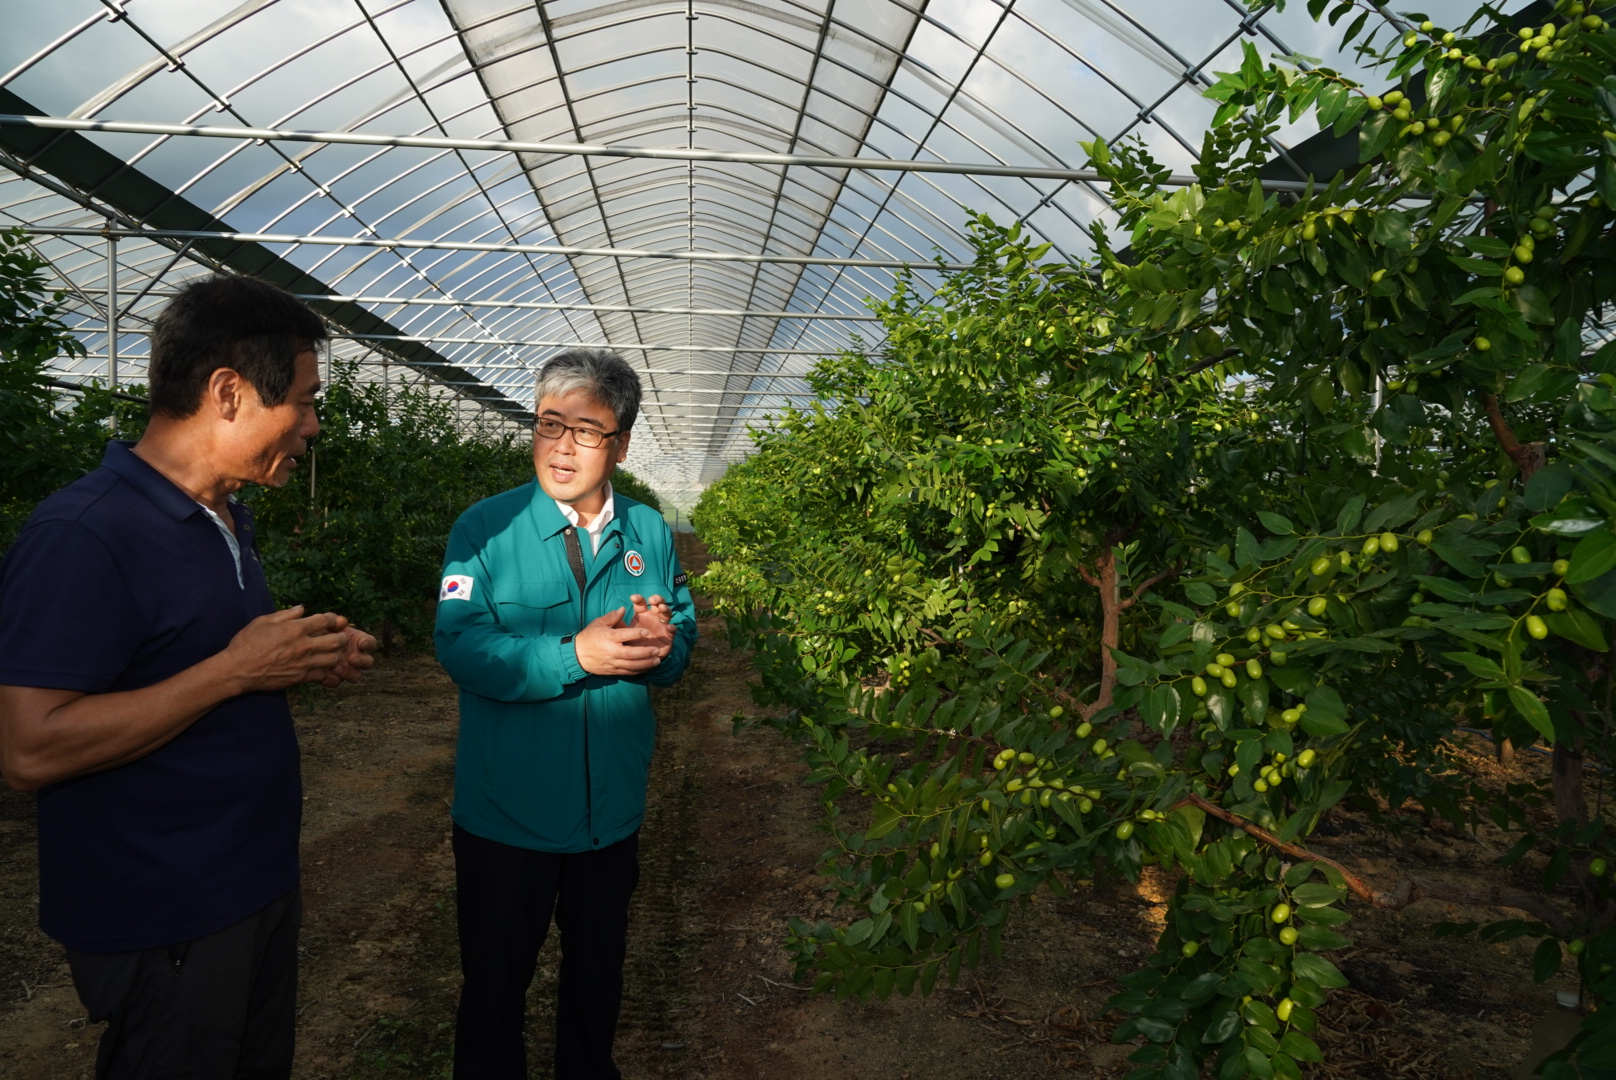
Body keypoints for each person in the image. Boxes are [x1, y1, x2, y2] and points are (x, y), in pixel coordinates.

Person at [0, 274, 376, 1080]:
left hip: (247, 887)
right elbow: (29, 750)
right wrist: (234, 671)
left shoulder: (224, 517)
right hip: (165, 914)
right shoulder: (86, 533)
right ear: (229, 392)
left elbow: (194, 667)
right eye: (304, 401)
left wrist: (291, 662)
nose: (312, 426)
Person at [435, 347, 697, 1080]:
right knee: (493, 990)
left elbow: (680, 647)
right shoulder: (484, 530)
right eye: (550, 424)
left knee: (596, 983)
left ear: (621, 443)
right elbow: (460, 645)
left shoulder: (648, 533)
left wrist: (664, 646)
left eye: (586, 430)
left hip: (608, 814)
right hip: (506, 815)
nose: (562, 447)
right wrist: (573, 657)